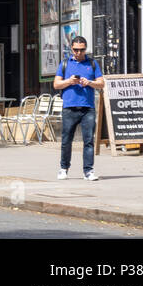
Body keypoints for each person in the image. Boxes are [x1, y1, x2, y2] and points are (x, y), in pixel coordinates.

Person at [53, 35, 104, 181]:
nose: (78, 53)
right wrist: (69, 81)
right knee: (66, 140)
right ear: (71, 49)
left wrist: (89, 82)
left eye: (81, 50)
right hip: (69, 107)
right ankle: (63, 168)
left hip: (87, 108)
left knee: (88, 140)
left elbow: (101, 83)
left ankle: (88, 171)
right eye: (75, 50)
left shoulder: (92, 63)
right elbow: (56, 84)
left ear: (85, 49)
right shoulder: (64, 64)